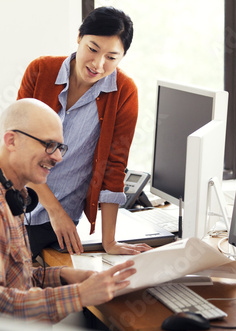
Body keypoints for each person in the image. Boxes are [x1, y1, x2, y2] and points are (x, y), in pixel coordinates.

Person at [0, 98, 136, 325]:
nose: (58, 157)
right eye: (48, 145)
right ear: (12, 140)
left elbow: (17, 280)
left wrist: (64, 275)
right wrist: (80, 295)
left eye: (59, 147)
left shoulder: (10, 193)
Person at [18, 6, 152, 257]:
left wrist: (109, 241)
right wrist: (54, 211)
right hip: (15, 204)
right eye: (92, 49)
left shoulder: (124, 92)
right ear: (79, 37)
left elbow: (115, 166)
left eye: (111, 57)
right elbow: (19, 150)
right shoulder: (40, 71)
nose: (98, 64)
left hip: (60, 224)